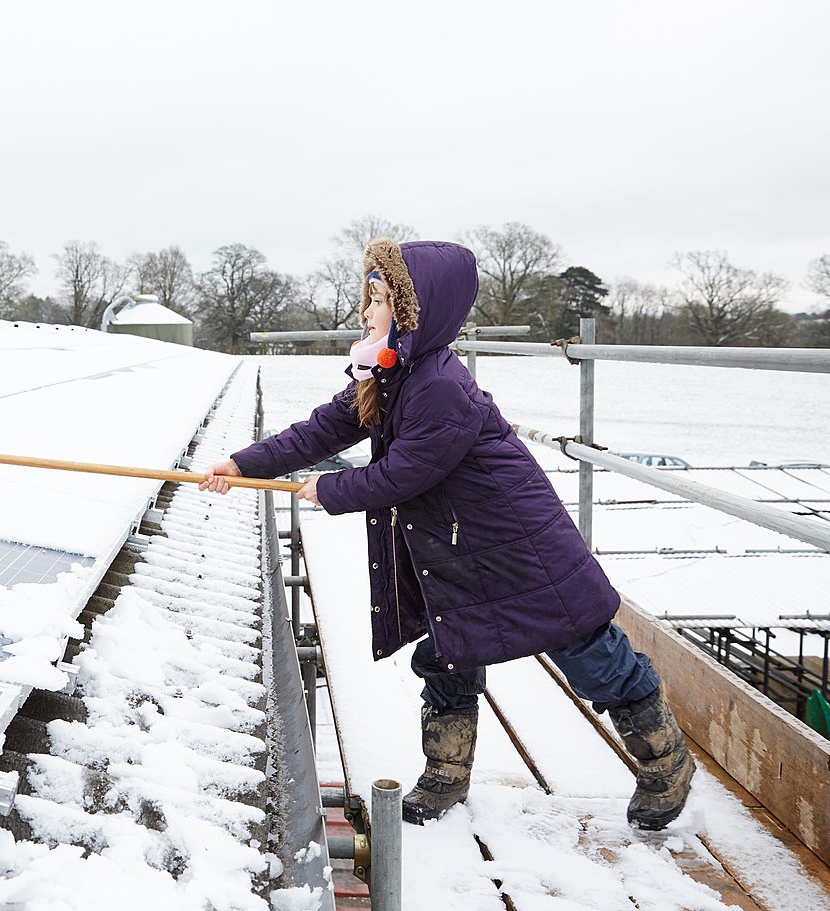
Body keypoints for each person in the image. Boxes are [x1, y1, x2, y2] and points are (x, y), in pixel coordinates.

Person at [200, 238, 695, 829]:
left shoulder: (438, 384)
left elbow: (408, 471)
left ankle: (666, 764)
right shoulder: (390, 372)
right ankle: (446, 773)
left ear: (415, 311)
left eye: (380, 298)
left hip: (517, 544)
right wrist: (244, 463)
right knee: (447, 650)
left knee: (588, 653)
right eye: (368, 296)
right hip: (457, 546)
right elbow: (326, 428)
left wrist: (332, 491)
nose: (367, 310)